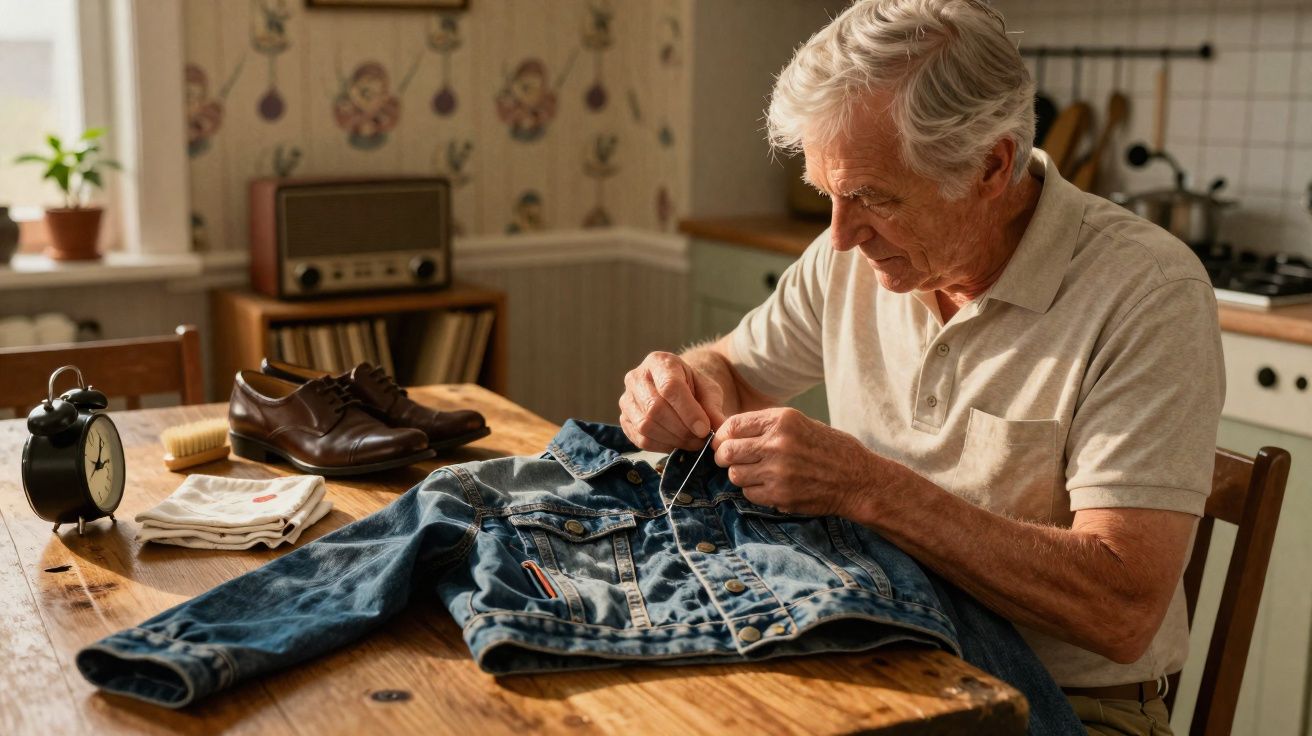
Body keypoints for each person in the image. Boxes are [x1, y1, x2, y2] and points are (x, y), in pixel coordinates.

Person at [617, 2, 1223, 734]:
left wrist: (867, 487)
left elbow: (1121, 612)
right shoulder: (852, 256)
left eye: (872, 197)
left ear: (991, 166)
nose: (840, 235)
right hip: (881, 656)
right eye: (826, 195)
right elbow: (733, 373)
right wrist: (684, 383)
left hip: (1068, 706)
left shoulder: (1148, 292)